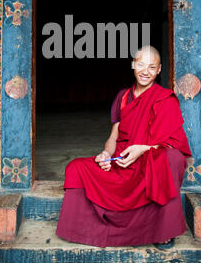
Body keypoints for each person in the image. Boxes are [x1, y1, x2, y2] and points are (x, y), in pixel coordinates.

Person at [56, 46, 192, 249]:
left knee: (171, 158)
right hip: (122, 161)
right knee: (76, 168)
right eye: (141, 65)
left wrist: (143, 149)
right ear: (133, 65)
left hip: (149, 162)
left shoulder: (165, 98)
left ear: (159, 69)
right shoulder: (123, 97)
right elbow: (114, 136)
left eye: (152, 67)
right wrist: (106, 154)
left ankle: (163, 230)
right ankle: (88, 228)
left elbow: (175, 144)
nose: (146, 71)